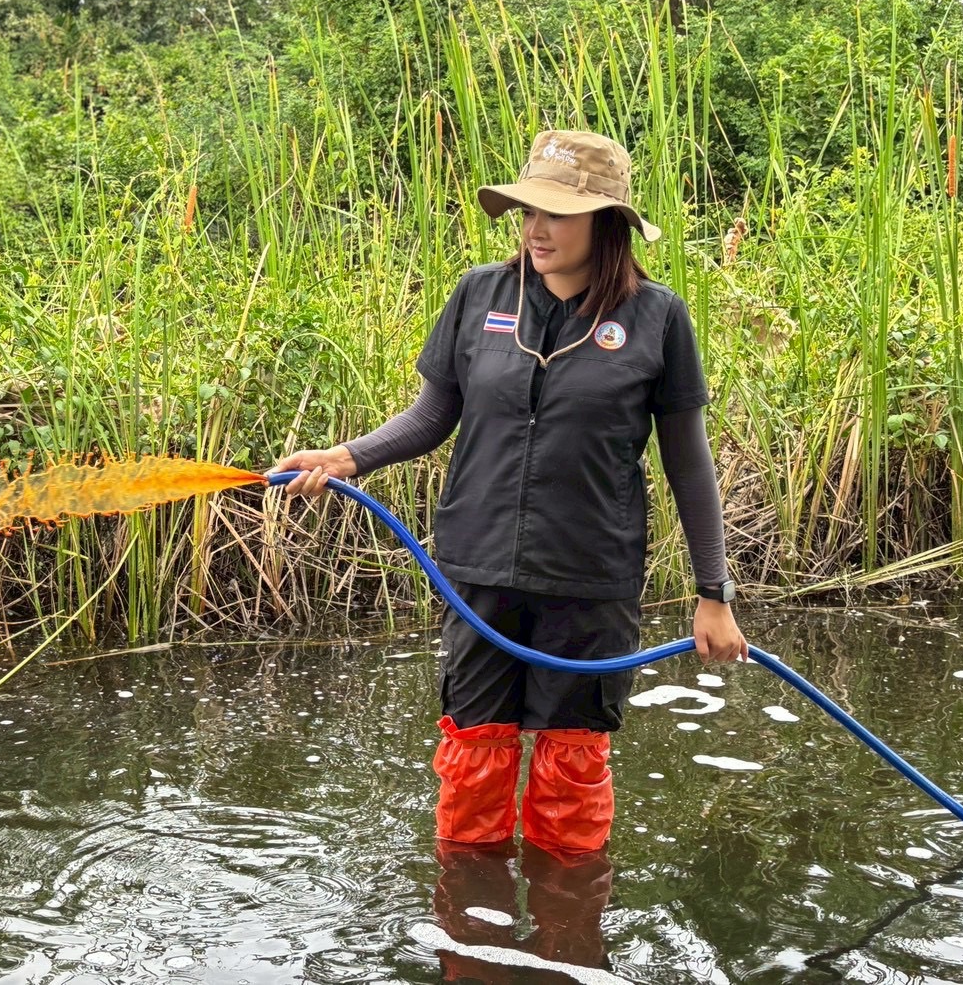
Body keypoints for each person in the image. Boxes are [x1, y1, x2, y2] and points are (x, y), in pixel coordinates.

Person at [272, 129, 747, 856]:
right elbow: (433, 415)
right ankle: (470, 934)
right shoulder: (479, 293)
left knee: (570, 779)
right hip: (479, 572)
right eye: (528, 210)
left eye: (556, 213)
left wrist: (712, 593)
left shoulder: (658, 317)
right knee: (472, 766)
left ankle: (565, 940)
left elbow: (688, 464)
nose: (535, 228)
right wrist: (345, 457)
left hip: (591, 579)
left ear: (605, 223)